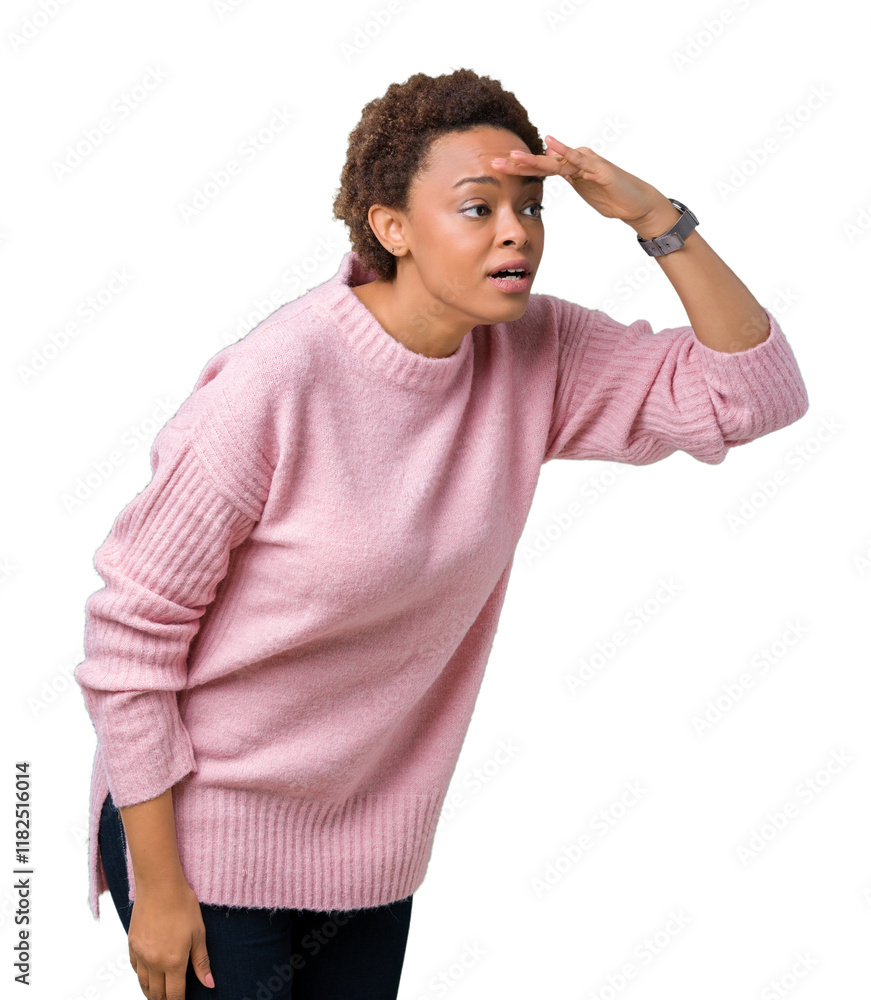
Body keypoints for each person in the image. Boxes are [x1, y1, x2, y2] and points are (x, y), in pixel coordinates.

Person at [74, 67, 810, 1000]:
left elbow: (754, 395)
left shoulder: (533, 353)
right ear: (391, 229)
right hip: (200, 835)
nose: (516, 232)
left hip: (367, 848)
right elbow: (129, 640)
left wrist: (654, 218)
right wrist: (160, 885)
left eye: (530, 206)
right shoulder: (276, 384)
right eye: (477, 208)